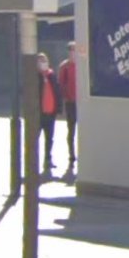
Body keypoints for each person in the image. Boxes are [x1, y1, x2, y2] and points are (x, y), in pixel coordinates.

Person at [37, 52, 62, 174]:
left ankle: (48, 159)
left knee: (49, 138)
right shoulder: (36, 76)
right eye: (40, 61)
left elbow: (57, 92)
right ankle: (33, 160)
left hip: (50, 113)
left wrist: (58, 109)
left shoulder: (52, 75)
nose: (43, 63)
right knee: (35, 138)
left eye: (44, 60)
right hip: (39, 114)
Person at [59, 42, 80, 171]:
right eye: (72, 50)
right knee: (71, 130)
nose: (73, 52)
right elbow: (61, 85)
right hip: (70, 102)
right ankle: (71, 155)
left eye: (75, 50)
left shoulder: (82, 65)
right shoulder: (65, 67)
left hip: (82, 103)